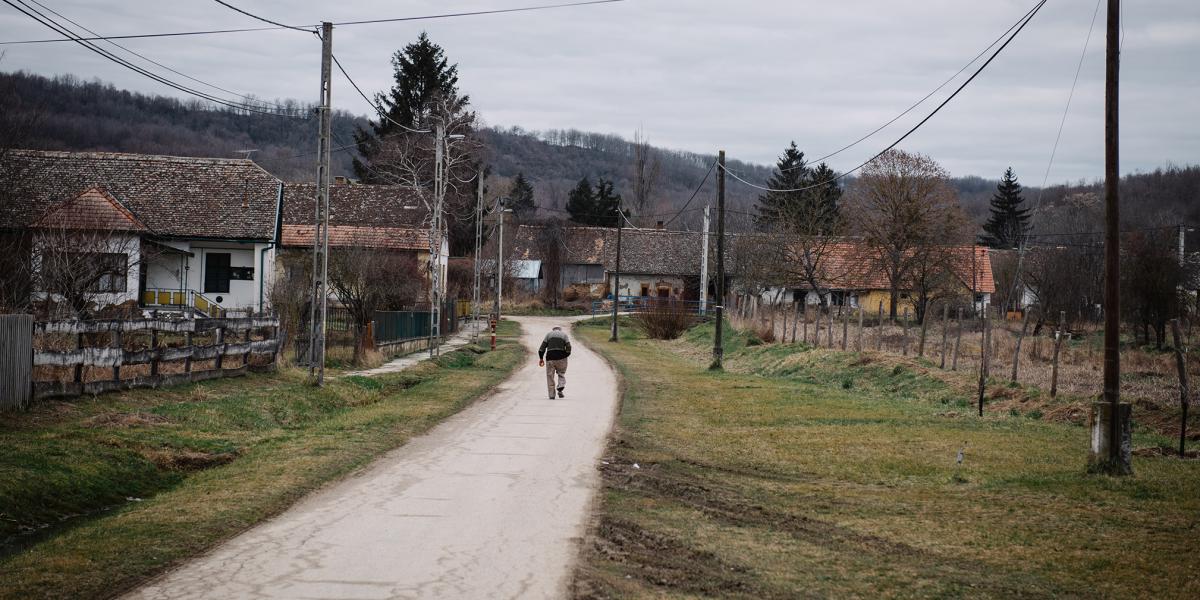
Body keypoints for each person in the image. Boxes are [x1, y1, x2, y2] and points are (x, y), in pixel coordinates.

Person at [538, 326, 571, 399]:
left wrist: (541, 358)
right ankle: (560, 386)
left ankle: (552, 395)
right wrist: (566, 354)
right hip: (562, 358)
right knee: (561, 373)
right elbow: (568, 346)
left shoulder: (548, 335)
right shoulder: (564, 335)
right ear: (560, 330)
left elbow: (542, 348)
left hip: (550, 358)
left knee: (550, 376)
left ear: (553, 330)